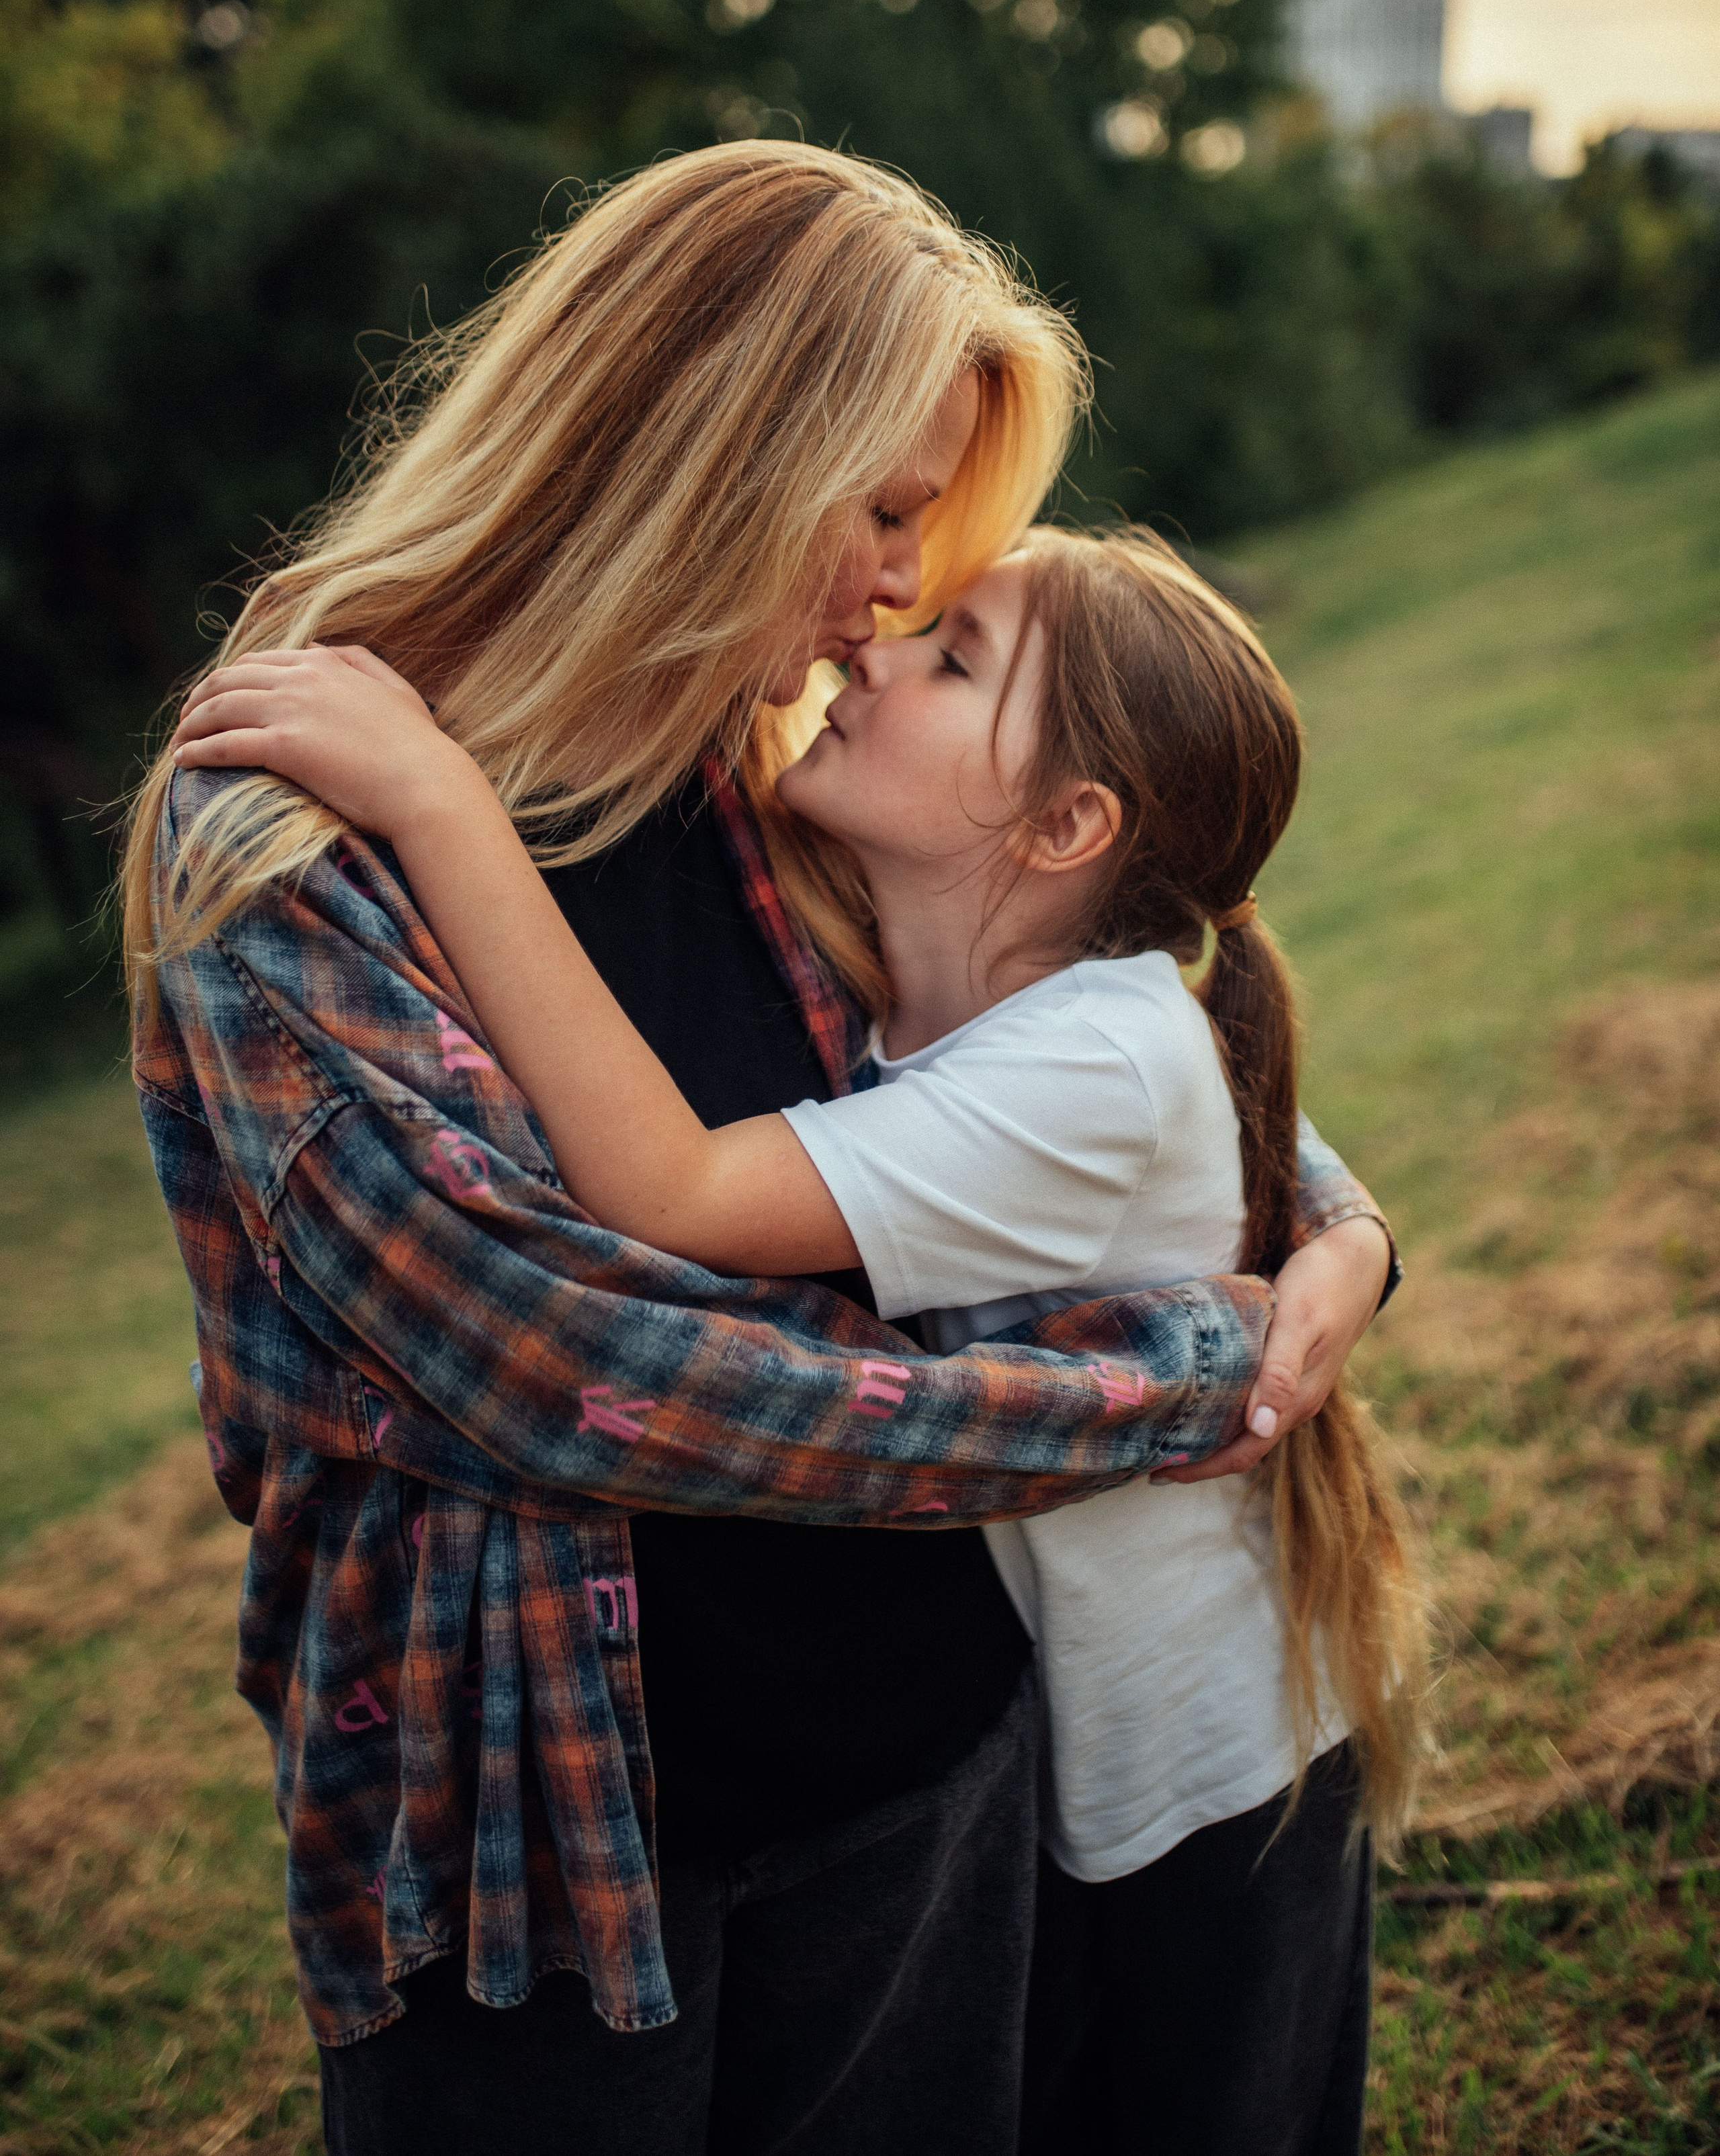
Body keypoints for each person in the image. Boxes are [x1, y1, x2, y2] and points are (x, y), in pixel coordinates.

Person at [128, 142, 1396, 2156]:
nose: (899, 586)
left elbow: (1069, 1017)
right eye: (885, 509)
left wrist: (1330, 1216)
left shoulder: (747, 750)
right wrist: (1179, 1375)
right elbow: (575, 1367)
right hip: (542, 1843)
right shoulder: (299, 823)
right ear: (718, 444)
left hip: (930, 1775)